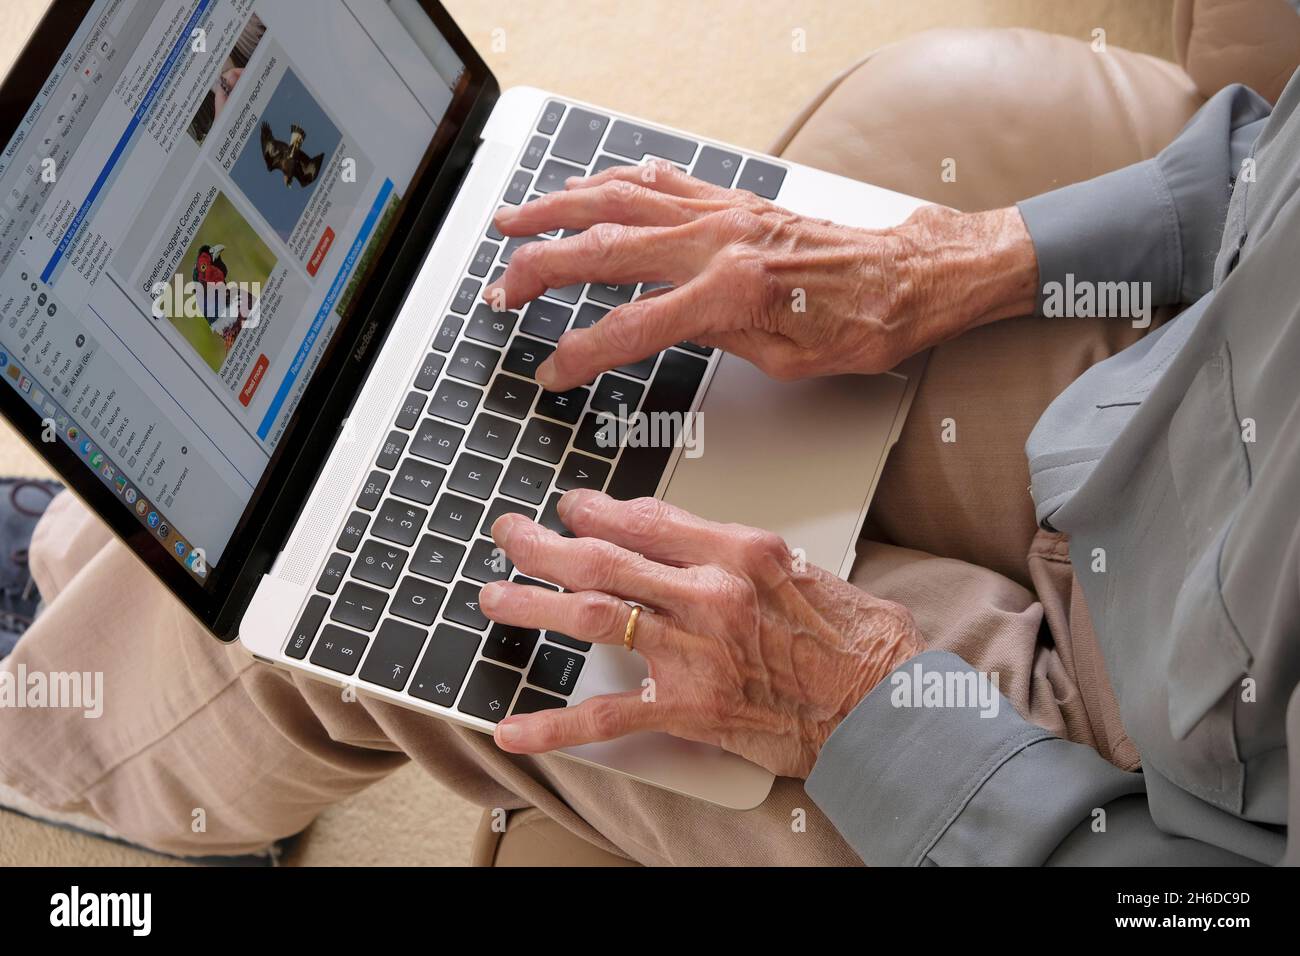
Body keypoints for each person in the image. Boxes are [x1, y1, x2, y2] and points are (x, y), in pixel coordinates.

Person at [2, 42, 1298, 866]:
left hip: (1122, 791)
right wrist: (949, 263)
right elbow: (1268, 165)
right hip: (1173, 393)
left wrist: (860, 702)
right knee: (544, 336)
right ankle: (84, 575)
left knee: (415, 582)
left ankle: (48, 719)